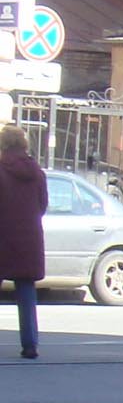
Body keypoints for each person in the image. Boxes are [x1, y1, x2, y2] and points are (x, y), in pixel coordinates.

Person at [0, 125, 48, 359]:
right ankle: (30, 345)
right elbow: (42, 206)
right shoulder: (37, 172)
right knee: (26, 292)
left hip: (2, 238)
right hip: (29, 239)